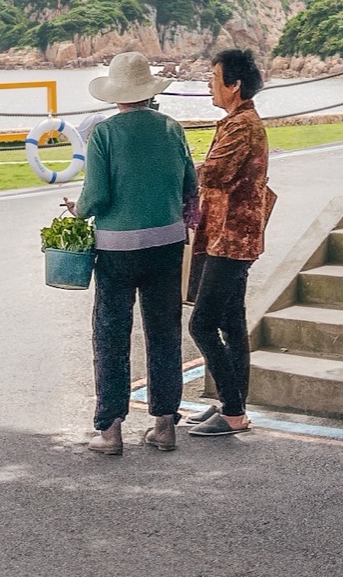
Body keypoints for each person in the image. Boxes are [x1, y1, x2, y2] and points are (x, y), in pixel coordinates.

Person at [72, 50, 198, 456]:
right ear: (148, 92)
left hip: (117, 250)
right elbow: (189, 186)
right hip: (167, 244)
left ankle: (110, 432)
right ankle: (164, 426)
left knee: (111, 335)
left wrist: (78, 210)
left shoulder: (105, 135)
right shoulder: (171, 129)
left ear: (116, 94)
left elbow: (96, 197)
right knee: (164, 334)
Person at [186, 46, 274, 437]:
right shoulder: (237, 121)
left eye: (214, 77)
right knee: (231, 323)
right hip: (229, 236)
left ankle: (234, 411)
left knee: (202, 324)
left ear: (234, 85)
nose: (209, 84)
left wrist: (172, 167)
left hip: (232, 239)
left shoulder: (242, 126)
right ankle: (231, 404)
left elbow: (215, 173)